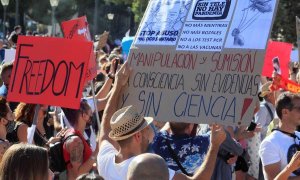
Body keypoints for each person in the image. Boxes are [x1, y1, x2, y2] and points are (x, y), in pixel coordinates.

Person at [97, 61, 226, 180]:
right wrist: (214, 146)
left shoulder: (105, 162)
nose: (150, 134)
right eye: (146, 129)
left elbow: (105, 130)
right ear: (137, 136)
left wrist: (118, 86)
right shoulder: (146, 166)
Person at [259, 92, 300, 179]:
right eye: (299, 109)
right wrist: (290, 168)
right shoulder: (269, 143)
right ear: (285, 112)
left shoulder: (299, 135)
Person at [61, 100, 99, 180]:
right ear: (84, 116)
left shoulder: (74, 134)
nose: (92, 117)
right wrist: (96, 152)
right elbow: (78, 174)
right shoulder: (76, 141)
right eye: (90, 114)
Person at [0, 97, 14, 161]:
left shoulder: (5, 142)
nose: (14, 118)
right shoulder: (2, 146)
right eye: (11, 116)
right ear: (3, 121)